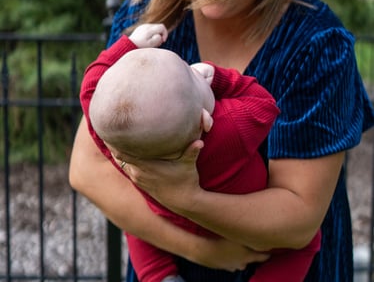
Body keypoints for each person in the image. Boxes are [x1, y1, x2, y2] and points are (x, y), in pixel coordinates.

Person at [69, 0, 374, 282]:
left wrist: (186, 197)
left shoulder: (316, 45)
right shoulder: (148, 20)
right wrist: (198, 249)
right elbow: (87, 169)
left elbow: (298, 217)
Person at [80, 22, 321, 282]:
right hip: (238, 227)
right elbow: (264, 105)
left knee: (136, 223)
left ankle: (157, 274)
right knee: (306, 244)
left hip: (166, 216)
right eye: (189, 71)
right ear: (203, 120)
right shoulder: (226, 129)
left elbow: (90, 88)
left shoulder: (117, 144)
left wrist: (129, 45)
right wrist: (219, 78)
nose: (193, 66)